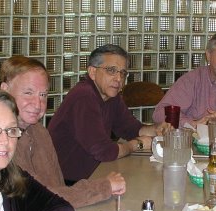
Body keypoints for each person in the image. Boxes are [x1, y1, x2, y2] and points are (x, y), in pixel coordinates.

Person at [0, 55, 126, 208]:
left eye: (43, 95)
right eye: (28, 93)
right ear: (5, 91)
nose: (38, 104)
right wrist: (104, 186)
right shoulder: (1, 142)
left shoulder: (39, 132)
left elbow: (58, 187)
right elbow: (41, 199)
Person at [48, 44, 170, 183]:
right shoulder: (84, 96)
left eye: (123, 73)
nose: (118, 79)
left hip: (92, 175)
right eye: (111, 70)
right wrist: (137, 145)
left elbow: (131, 129)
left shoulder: (111, 96)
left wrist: (156, 129)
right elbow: (104, 151)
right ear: (92, 72)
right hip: (65, 183)